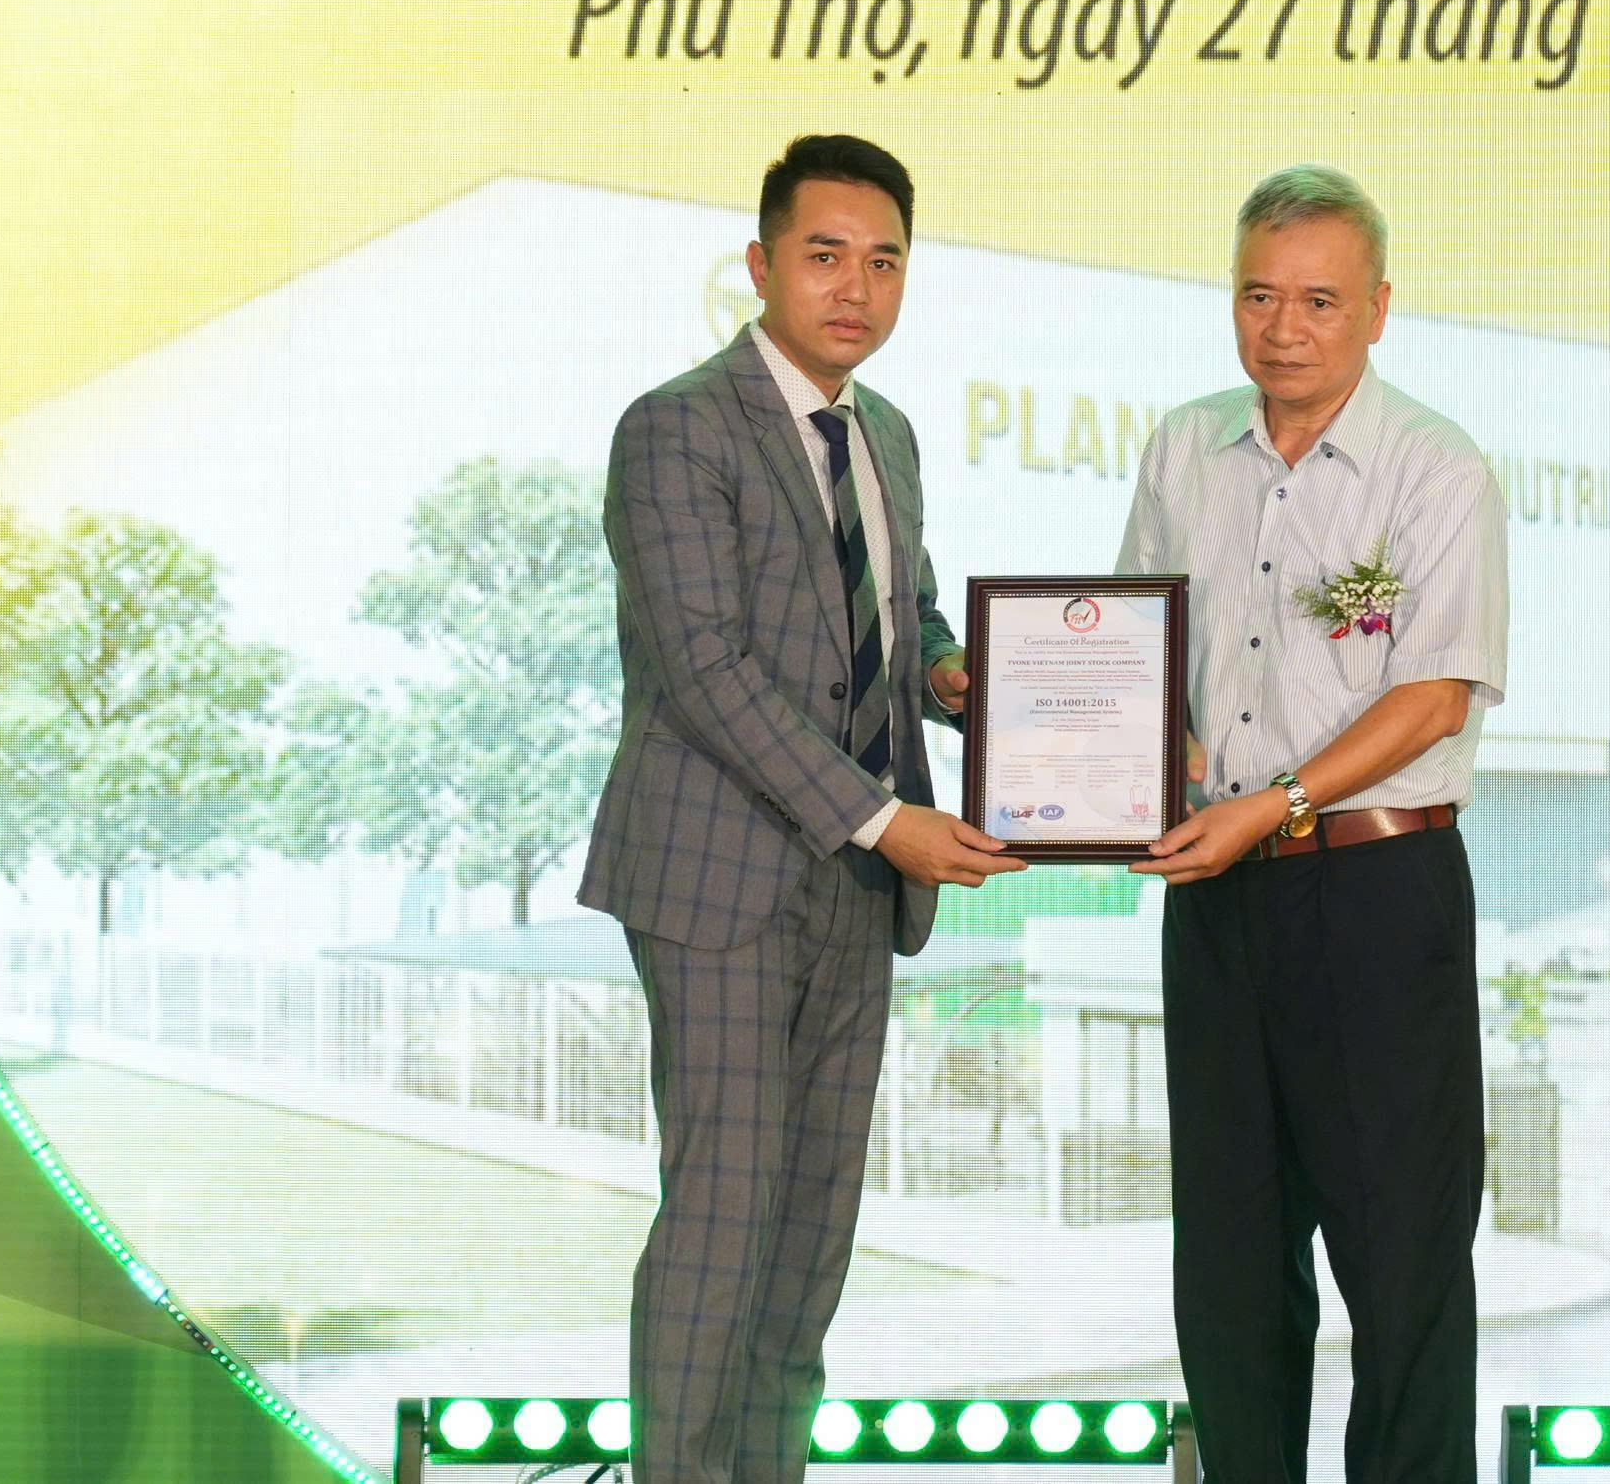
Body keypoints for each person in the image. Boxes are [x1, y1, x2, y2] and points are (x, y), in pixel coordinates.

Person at [580, 134, 1026, 1484]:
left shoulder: (885, 435)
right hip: (717, 883)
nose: (855, 288)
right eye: (825, 256)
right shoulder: (676, 427)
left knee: (810, 1242)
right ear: (761, 265)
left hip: (856, 892)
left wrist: (958, 679)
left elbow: (905, 616)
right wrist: (889, 820)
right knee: (722, 1225)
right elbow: (703, 668)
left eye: (884, 262)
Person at [1118, 164, 1507, 1482]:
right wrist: (1140, 750)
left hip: (1376, 895)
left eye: (1320, 301)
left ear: (1379, 308)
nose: (1284, 329)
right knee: (1228, 1265)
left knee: (1403, 1270)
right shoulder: (1183, 448)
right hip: (1216, 897)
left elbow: (1435, 692)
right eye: (1259, 296)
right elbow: (1133, 649)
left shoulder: (1434, 468)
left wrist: (1272, 805)